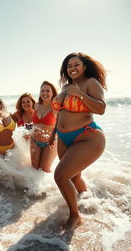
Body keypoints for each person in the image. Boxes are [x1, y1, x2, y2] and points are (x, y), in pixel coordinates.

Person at [50, 52, 107, 231]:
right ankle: (88, 199)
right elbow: (59, 113)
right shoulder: (66, 86)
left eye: (76, 65)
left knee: (60, 176)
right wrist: (54, 132)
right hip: (63, 137)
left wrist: (81, 94)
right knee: (74, 176)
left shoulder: (91, 82)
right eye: (69, 66)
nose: (72, 68)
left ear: (84, 67)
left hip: (87, 137)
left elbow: (101, 108)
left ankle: (75, 216)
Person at [30, 81, 58, 173]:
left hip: (50, 142)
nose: (44, 93)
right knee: (34, 169)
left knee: (45, 169)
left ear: (52, 92)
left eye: (47, 91)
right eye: (42, 91)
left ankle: (50, 187)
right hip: (34, 141)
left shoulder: (55, 107)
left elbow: (62, 123)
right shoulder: (36, 105)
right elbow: (34, 124)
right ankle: (34, 188)